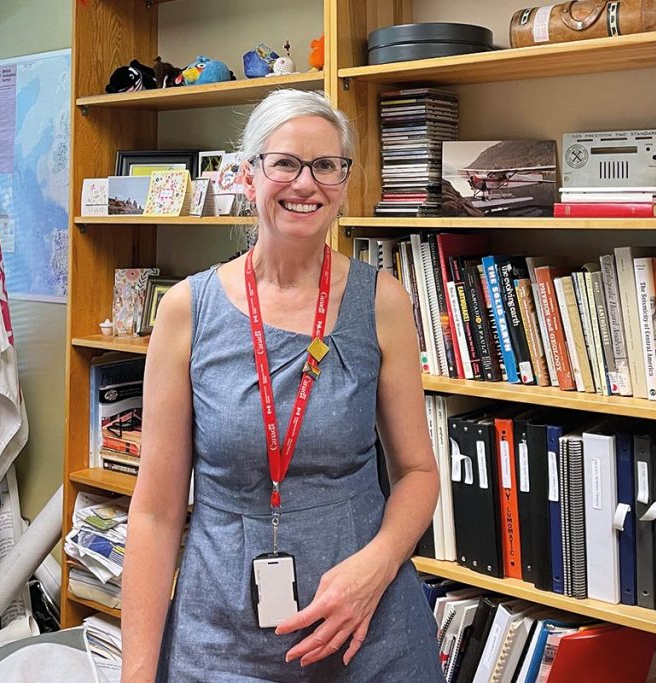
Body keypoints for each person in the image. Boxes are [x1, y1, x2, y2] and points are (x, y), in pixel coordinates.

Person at [121, 89, 443, 682]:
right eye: (286, 163)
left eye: (326, 166)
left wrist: (374, 569)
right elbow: (156, 514)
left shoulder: (383, 301)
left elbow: (418, 473)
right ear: (248, 177)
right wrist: (135, 676)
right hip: (223, 638)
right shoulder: (187, 310)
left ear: (343, 182)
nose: (306, 184)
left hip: (368, 632)